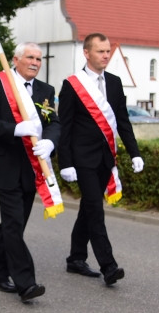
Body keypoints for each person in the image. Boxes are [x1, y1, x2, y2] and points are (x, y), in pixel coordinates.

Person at [57, 32, 143, 286]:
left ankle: (75, 258)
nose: (106, 55)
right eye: (101, 51)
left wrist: (135, 152)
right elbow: (66, 127)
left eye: (107, 51)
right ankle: (109, 266)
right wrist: (66, 162)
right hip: (82, 159)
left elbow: (123, 121)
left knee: (88, 208)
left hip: (107, 157)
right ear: (87, 53)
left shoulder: (115, 83)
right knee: (95, 207)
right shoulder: (72, 85)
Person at [0, 42, 60, 302]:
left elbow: (53, 123)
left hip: (31, 168)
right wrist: (15, 129)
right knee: (14, 223)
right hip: (5, 165)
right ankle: (26, 283)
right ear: (15, 59)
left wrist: (50, 142)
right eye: (30, 57)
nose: (35, 62)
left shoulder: (46, 90)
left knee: (15, 224)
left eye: (39, 58)